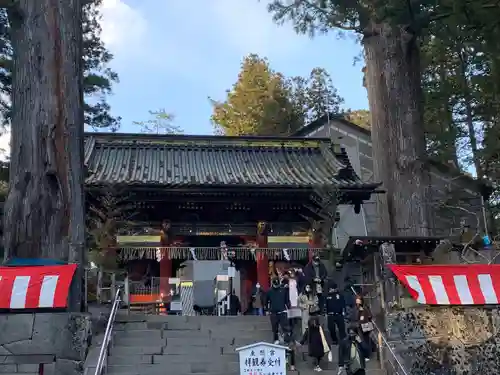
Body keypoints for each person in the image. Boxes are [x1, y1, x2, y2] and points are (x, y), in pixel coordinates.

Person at [266, 277, 291, 344]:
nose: (276, 286)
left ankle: (287, 340)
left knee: (285, 327)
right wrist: (267, 309)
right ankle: (276, 340)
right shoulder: (269, 291)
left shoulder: (283, 290)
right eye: (275, 284)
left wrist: (289, 307)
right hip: (273, 312)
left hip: (282, 311)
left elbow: (287, 300)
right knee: (275, 328)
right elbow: (266, 301)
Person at [287, 270, 301, 339]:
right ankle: (291, 321)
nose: (291, 274)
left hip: (295, 295)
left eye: (292, 273)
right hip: (290, 295)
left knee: (295, 306)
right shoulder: (287, 280)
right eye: (290, 273)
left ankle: (295, 320)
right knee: (291, 308)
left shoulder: (297, 279)